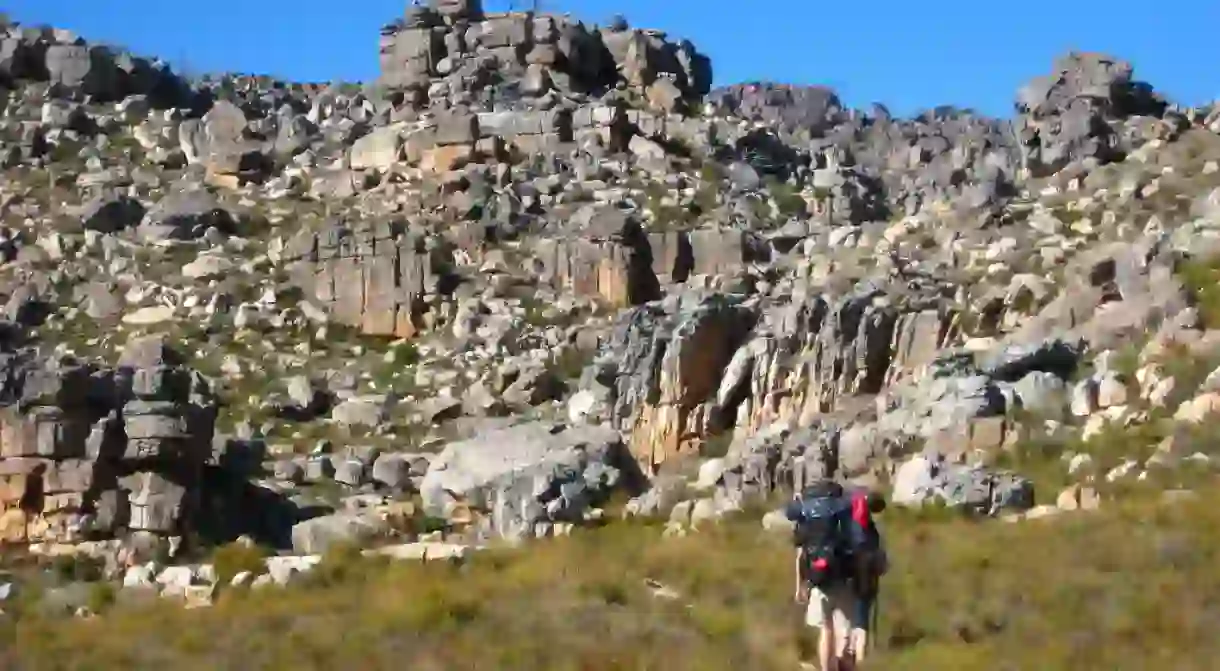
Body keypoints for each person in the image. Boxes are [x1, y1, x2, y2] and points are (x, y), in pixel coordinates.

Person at [788, 481, 888, 670]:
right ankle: (846, 665)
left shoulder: (808, 520)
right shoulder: (844, 515)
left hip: (818, 581)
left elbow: (800, 556)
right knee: (845, 630)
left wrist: (800, 586)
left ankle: (828, 668)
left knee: (825, 630)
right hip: (843, 579)